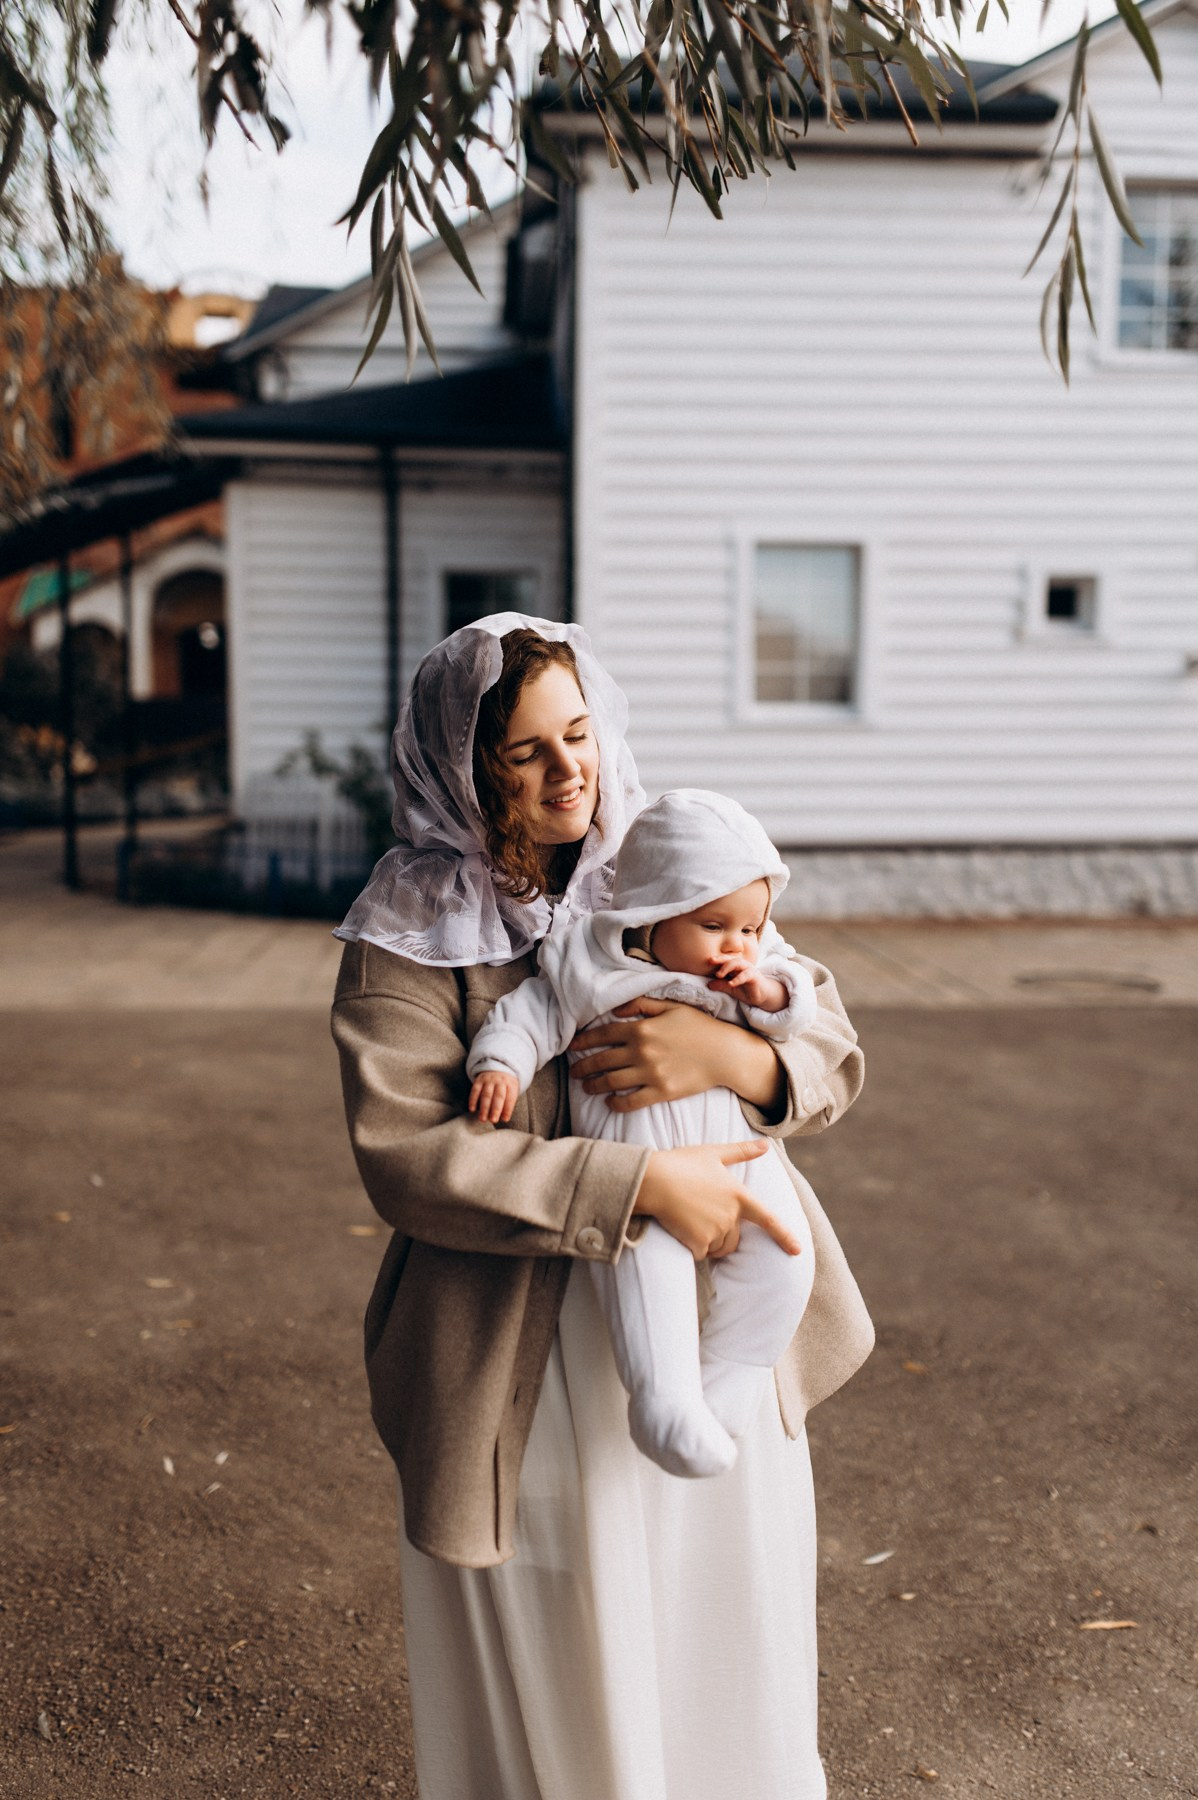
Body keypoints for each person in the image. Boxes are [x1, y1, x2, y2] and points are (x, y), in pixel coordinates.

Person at [330, 613, 874, 1800]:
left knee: (716, 1599)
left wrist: (726, 1060)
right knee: (573, 1619)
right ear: (463, 768)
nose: (569, 769)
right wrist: (635, 1182)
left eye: (578, 733)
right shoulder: (408, 937)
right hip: (521, 1349)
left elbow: (821, 1036)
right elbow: (408, 1157)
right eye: (525, 752)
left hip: (712, 1308)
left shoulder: (663, 859)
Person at [466, 788, 824, 1482]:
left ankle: (726, 1387)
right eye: (715, 925)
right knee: (647, 1272)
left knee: (788, 1259)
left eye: (752, 927)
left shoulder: (750, 972)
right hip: (640, 1179)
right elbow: (529, 1013)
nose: (737, 944)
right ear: (652, 914)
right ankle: (662, 1401)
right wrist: (500, 1064)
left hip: (744, 1165)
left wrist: (766, 995)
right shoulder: (590, 964)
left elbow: (801, 1009)